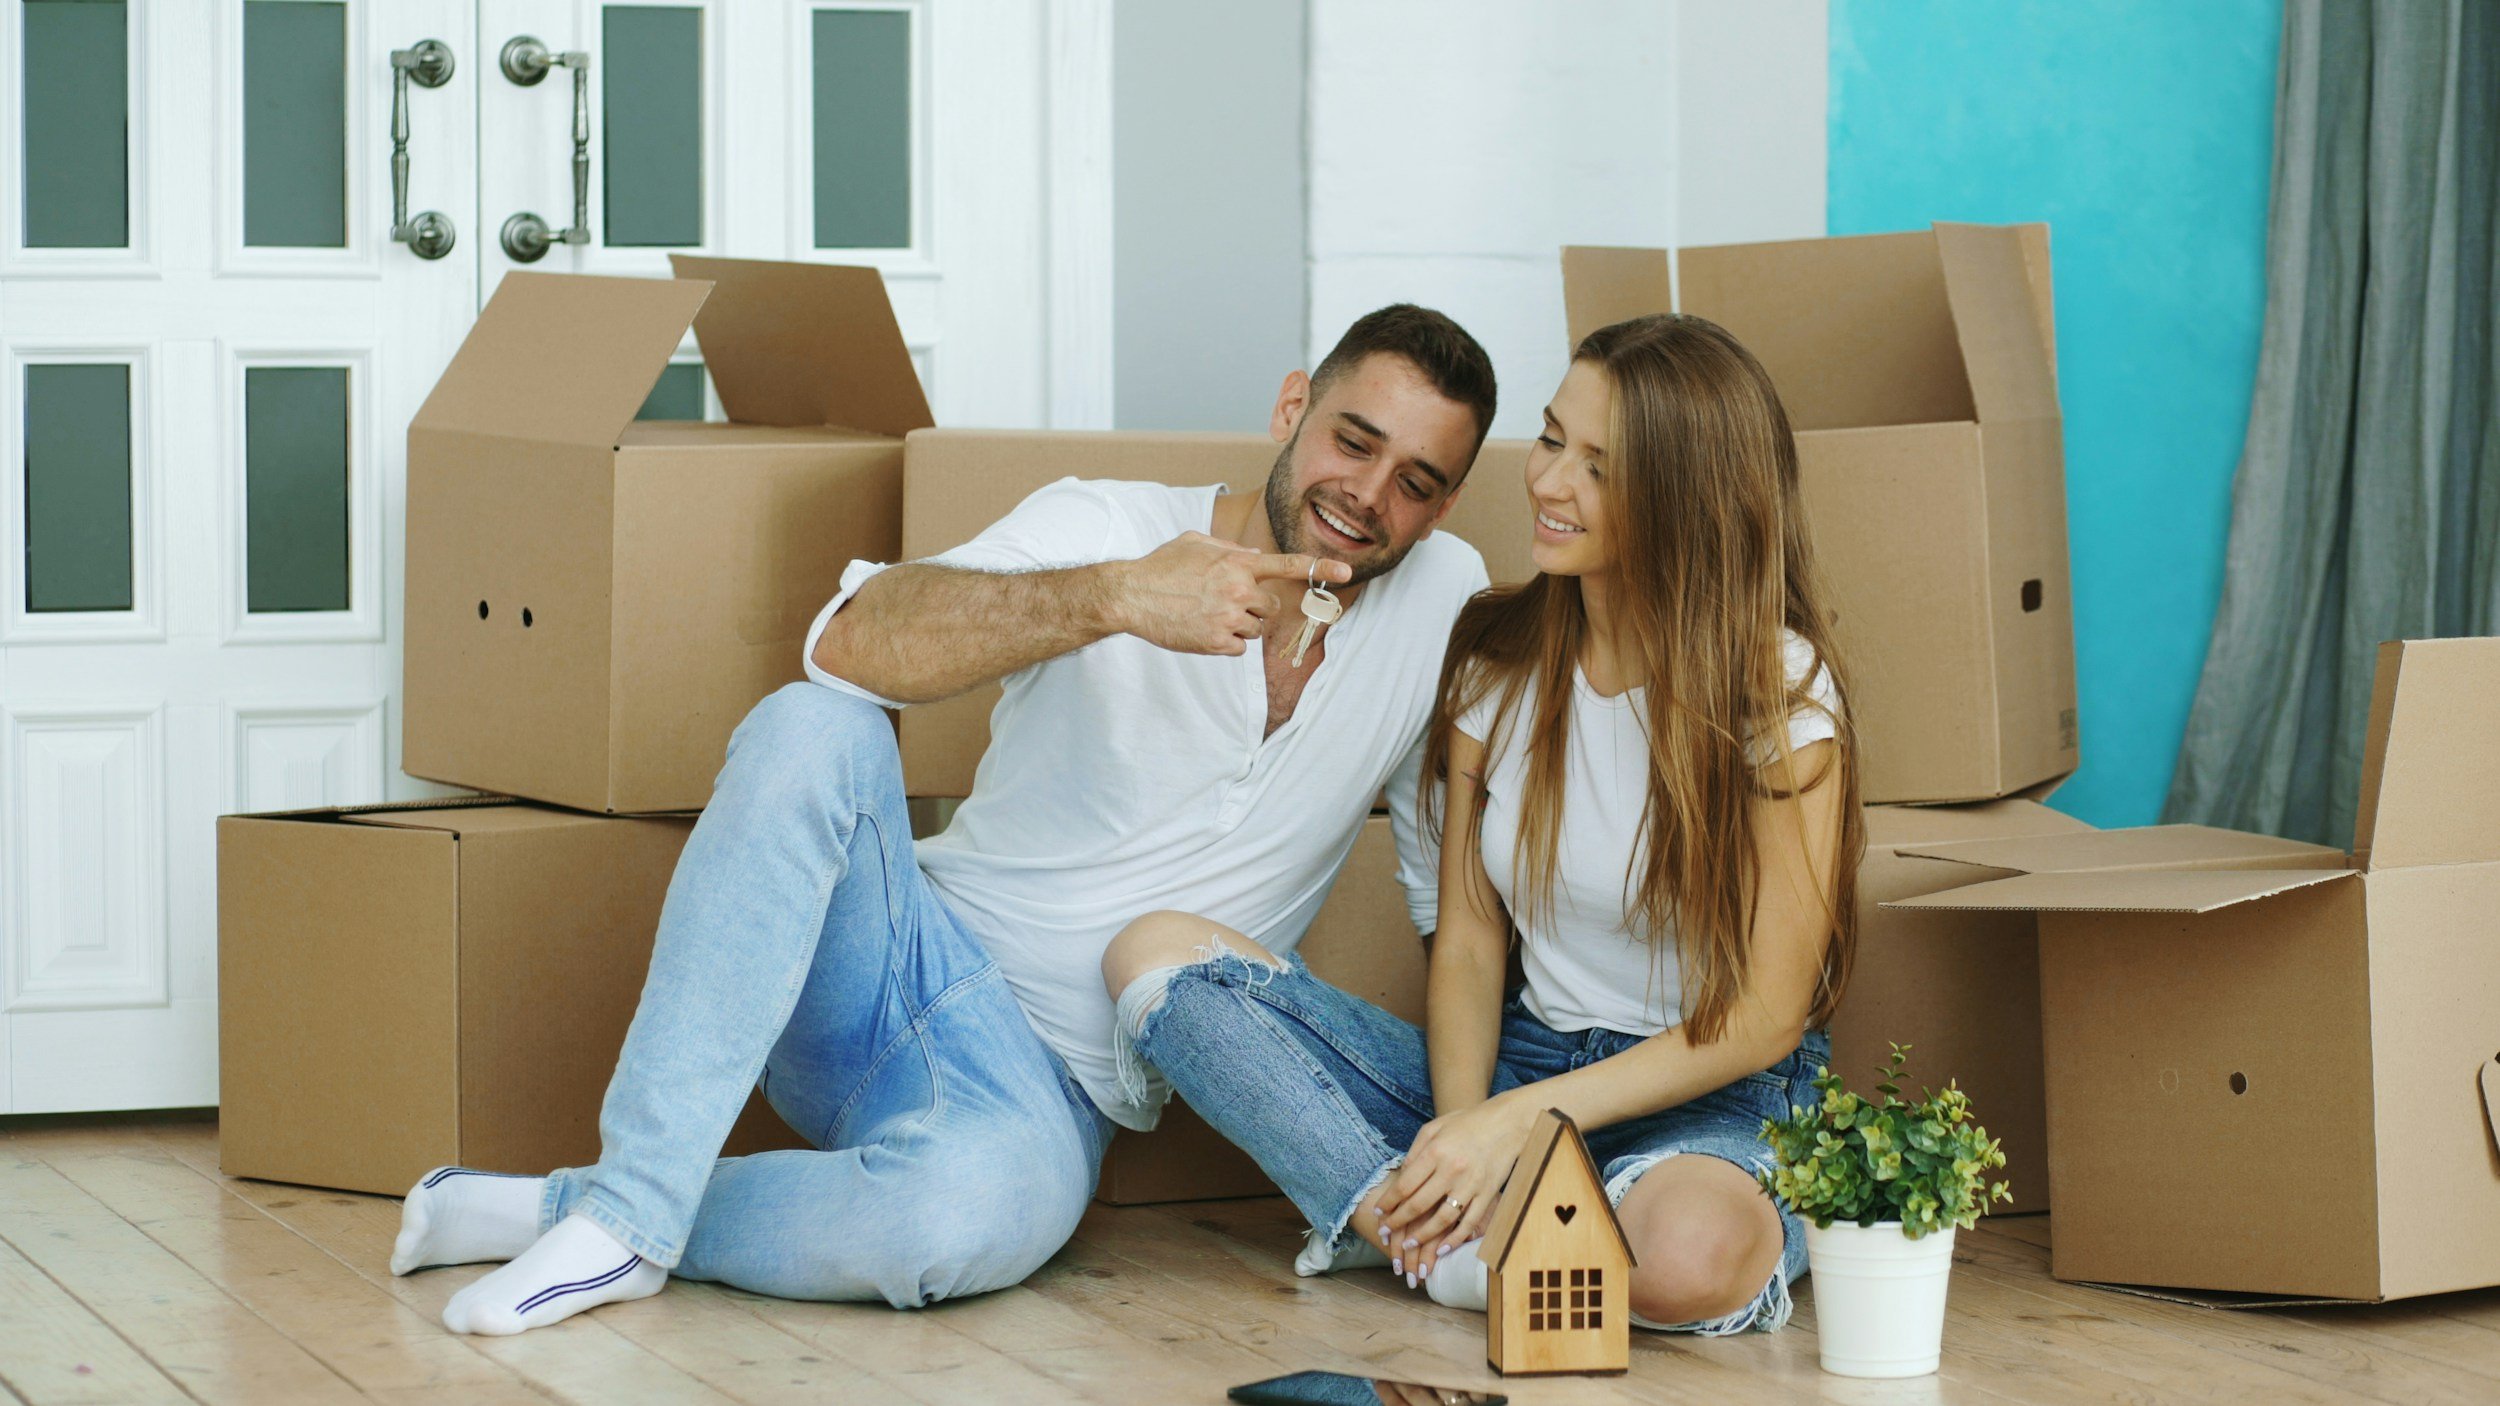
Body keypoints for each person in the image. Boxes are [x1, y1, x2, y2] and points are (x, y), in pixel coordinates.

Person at [386, 305, 1499, 1334]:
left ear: (1444, 504)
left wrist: (1465, 1131)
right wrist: (1114, 596)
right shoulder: (1106, 522)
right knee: (813, 726)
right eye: (1351, 442)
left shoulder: (1443, 601)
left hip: (1048, 1094)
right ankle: (626, 1210)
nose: (1368, 493)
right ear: (1291, 407)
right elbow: (850, 640)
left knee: (948, 1229)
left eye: (1415, 479)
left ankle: (544, 1210)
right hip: (892, 962)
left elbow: (1445, 890)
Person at [1101, 313, 1861, 1337]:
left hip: (1714, 1094)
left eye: (1599, 465)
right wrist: (1468, 1125)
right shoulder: (1496, 658)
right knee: (1158, 957)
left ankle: (1455, 1240)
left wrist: (1523, 1126)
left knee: (1686, 1255)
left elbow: (1767, 1013)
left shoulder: (1777, 687)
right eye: (1552, 440)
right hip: (1519, 1062)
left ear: (1687, 496)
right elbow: (1467, 938)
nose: (1549, 483)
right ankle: (1467, 1239)